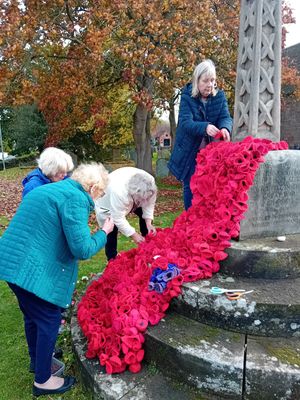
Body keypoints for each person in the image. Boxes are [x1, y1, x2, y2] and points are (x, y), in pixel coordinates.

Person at [0, 162, 114, 397]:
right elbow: (82, 249)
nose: (96, 202)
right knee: (49, 318)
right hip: (27, 268)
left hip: (10, 262)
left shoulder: (51, 188)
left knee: (33, 316)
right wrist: (105, 232)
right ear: (92, 187)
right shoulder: (75, 199)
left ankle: (38, 362)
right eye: (99, 194)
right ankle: (43, 381)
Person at [168, 59, 233, 210]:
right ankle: (190, 225)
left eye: (212, 80)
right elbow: (185, 122)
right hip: (189, 153)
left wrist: (225, 128)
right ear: (197, 80)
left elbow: (226, 117)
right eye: (205, 81)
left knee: (211, 192)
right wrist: (205, 127)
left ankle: (206, 229)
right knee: (190, 190)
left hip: (212, 155)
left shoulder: (220, 96)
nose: (210, 84)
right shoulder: (187, 97)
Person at [95, 167, 157, 260]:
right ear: (134, 194)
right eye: (140, 199)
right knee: (110, 228)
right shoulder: (119, 191)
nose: (143, 201)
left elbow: (149, 203)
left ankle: (147, 243)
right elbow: (118, 218)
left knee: (143, 215)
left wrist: (148, 222)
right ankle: (112, 259)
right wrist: (134, 234)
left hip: (131, 191)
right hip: (106, 201)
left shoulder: (150, 183)